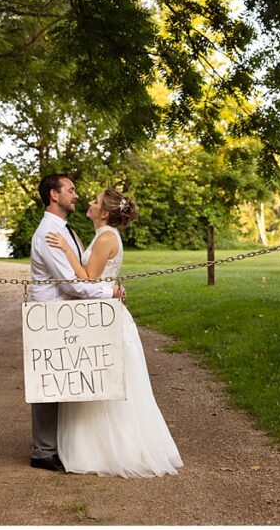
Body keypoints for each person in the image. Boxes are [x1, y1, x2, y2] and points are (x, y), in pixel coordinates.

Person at [44, 186, 183, 478]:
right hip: (100, 314)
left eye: (95, 201)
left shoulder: (106, 237)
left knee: (114, 386)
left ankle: (119, 450)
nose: (90, 203)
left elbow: (88, 277)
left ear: (104, 212)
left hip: (108, 319)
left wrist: (67, 250)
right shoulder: (101, 235)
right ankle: (95, 446)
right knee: (97, 383)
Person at [28, 174, 125, 473]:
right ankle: (43, 451)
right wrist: (110, 292)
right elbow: (73, 285)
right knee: (49, 380)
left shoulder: (64, 230)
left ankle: (63, 445)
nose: (77, 195)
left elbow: (82, 273)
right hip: (52, 314)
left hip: (67, 316)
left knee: (67, 379)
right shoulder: (49, 233)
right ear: (54, 195)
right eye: (70, 190)